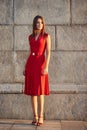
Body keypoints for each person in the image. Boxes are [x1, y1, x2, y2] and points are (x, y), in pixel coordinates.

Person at [23, 15, 51, 126]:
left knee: (41, 91)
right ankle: (34, 116)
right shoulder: (30, 37)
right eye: (37, 22)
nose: (39, 24)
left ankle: (41, 116)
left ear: (43, 24)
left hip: (41, 64)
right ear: (34, 24)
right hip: (31, 64)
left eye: (41, 22)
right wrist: (25, 66)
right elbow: (29, 52)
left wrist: (46, 66)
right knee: (32, 92)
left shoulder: (46, 36)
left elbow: (48, 53)